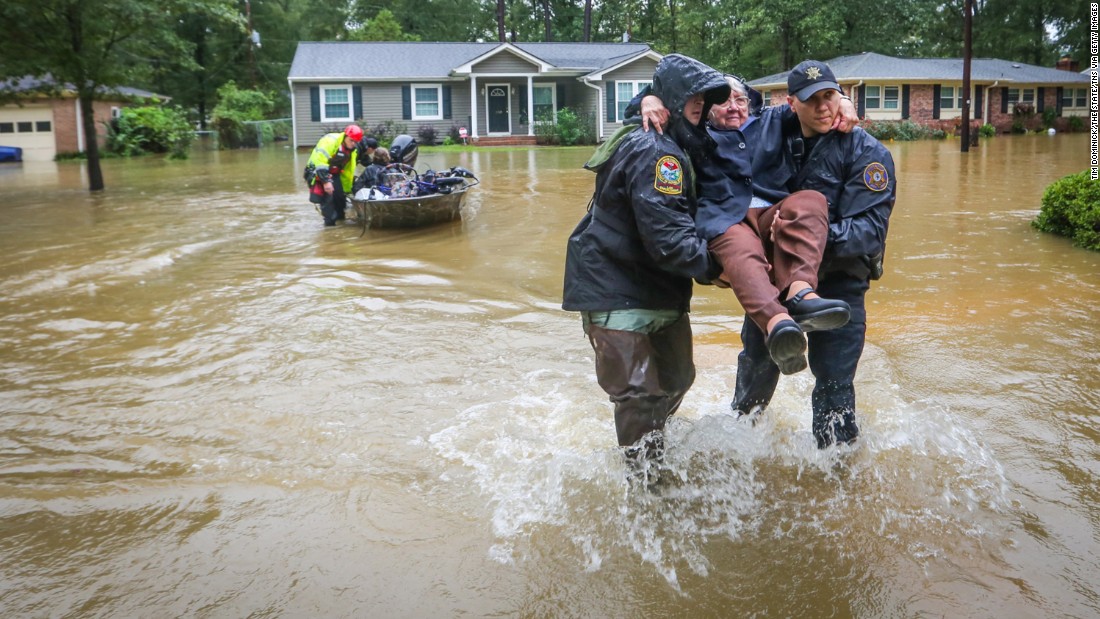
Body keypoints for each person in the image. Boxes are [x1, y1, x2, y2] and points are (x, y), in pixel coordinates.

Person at [635, 62, 896, 448]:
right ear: (792, 104)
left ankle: (837, 471)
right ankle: (741, 453)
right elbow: (697, 94)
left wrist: (798, 236)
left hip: (839, 287)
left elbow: (870, 232)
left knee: (835, 382)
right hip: (775, 284)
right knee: (755, 375)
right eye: (813, 100)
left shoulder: (867, 153)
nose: (824, 108)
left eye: (830, 97)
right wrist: (649, 97)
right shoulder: (765, 128)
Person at [562, 53, 730, 472]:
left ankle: (650, 454)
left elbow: (755, 117)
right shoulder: (658, 153)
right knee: (640, 395)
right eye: (694, 96)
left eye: (707, 98)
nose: (703, 104)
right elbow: (669, 239)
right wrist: (717, 269)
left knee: (677, 380)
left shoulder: (685, 139)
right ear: (671, 98)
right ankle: (645, 494)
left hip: (660, 289)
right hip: (614, 287)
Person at [307, 124, 362, 226]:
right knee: (328, 201)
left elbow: (347, 171)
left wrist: (347, 189)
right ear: (345, 136)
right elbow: (320, 162)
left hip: (334, 173)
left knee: (340, 200)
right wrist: (326, 182)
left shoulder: (352, 150)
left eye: (355, 142)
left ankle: (340, 222)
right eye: (351, 140)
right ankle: (329, 228)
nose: (353, 144)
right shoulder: (330, 142)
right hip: (318, 172)